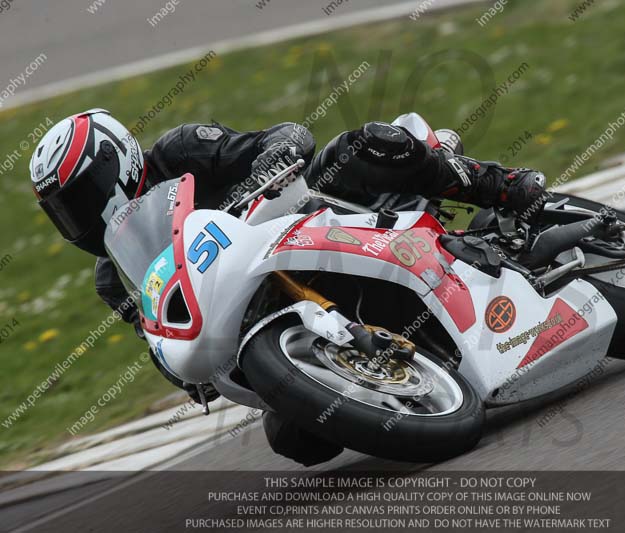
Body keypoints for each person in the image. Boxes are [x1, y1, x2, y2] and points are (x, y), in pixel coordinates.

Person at [30, 108, 547, 465]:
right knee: (297, 440)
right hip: (260, 320)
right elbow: (160, 340)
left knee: (364, 145)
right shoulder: (114, 276)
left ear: (114, 162)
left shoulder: (180, 151)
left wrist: (274, 157)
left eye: (81, 196)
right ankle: (402, 377)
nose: (78, 217)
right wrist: (187, 376)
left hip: (311, 221)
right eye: (64, 211)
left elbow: (285, 134)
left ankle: (500, 186)